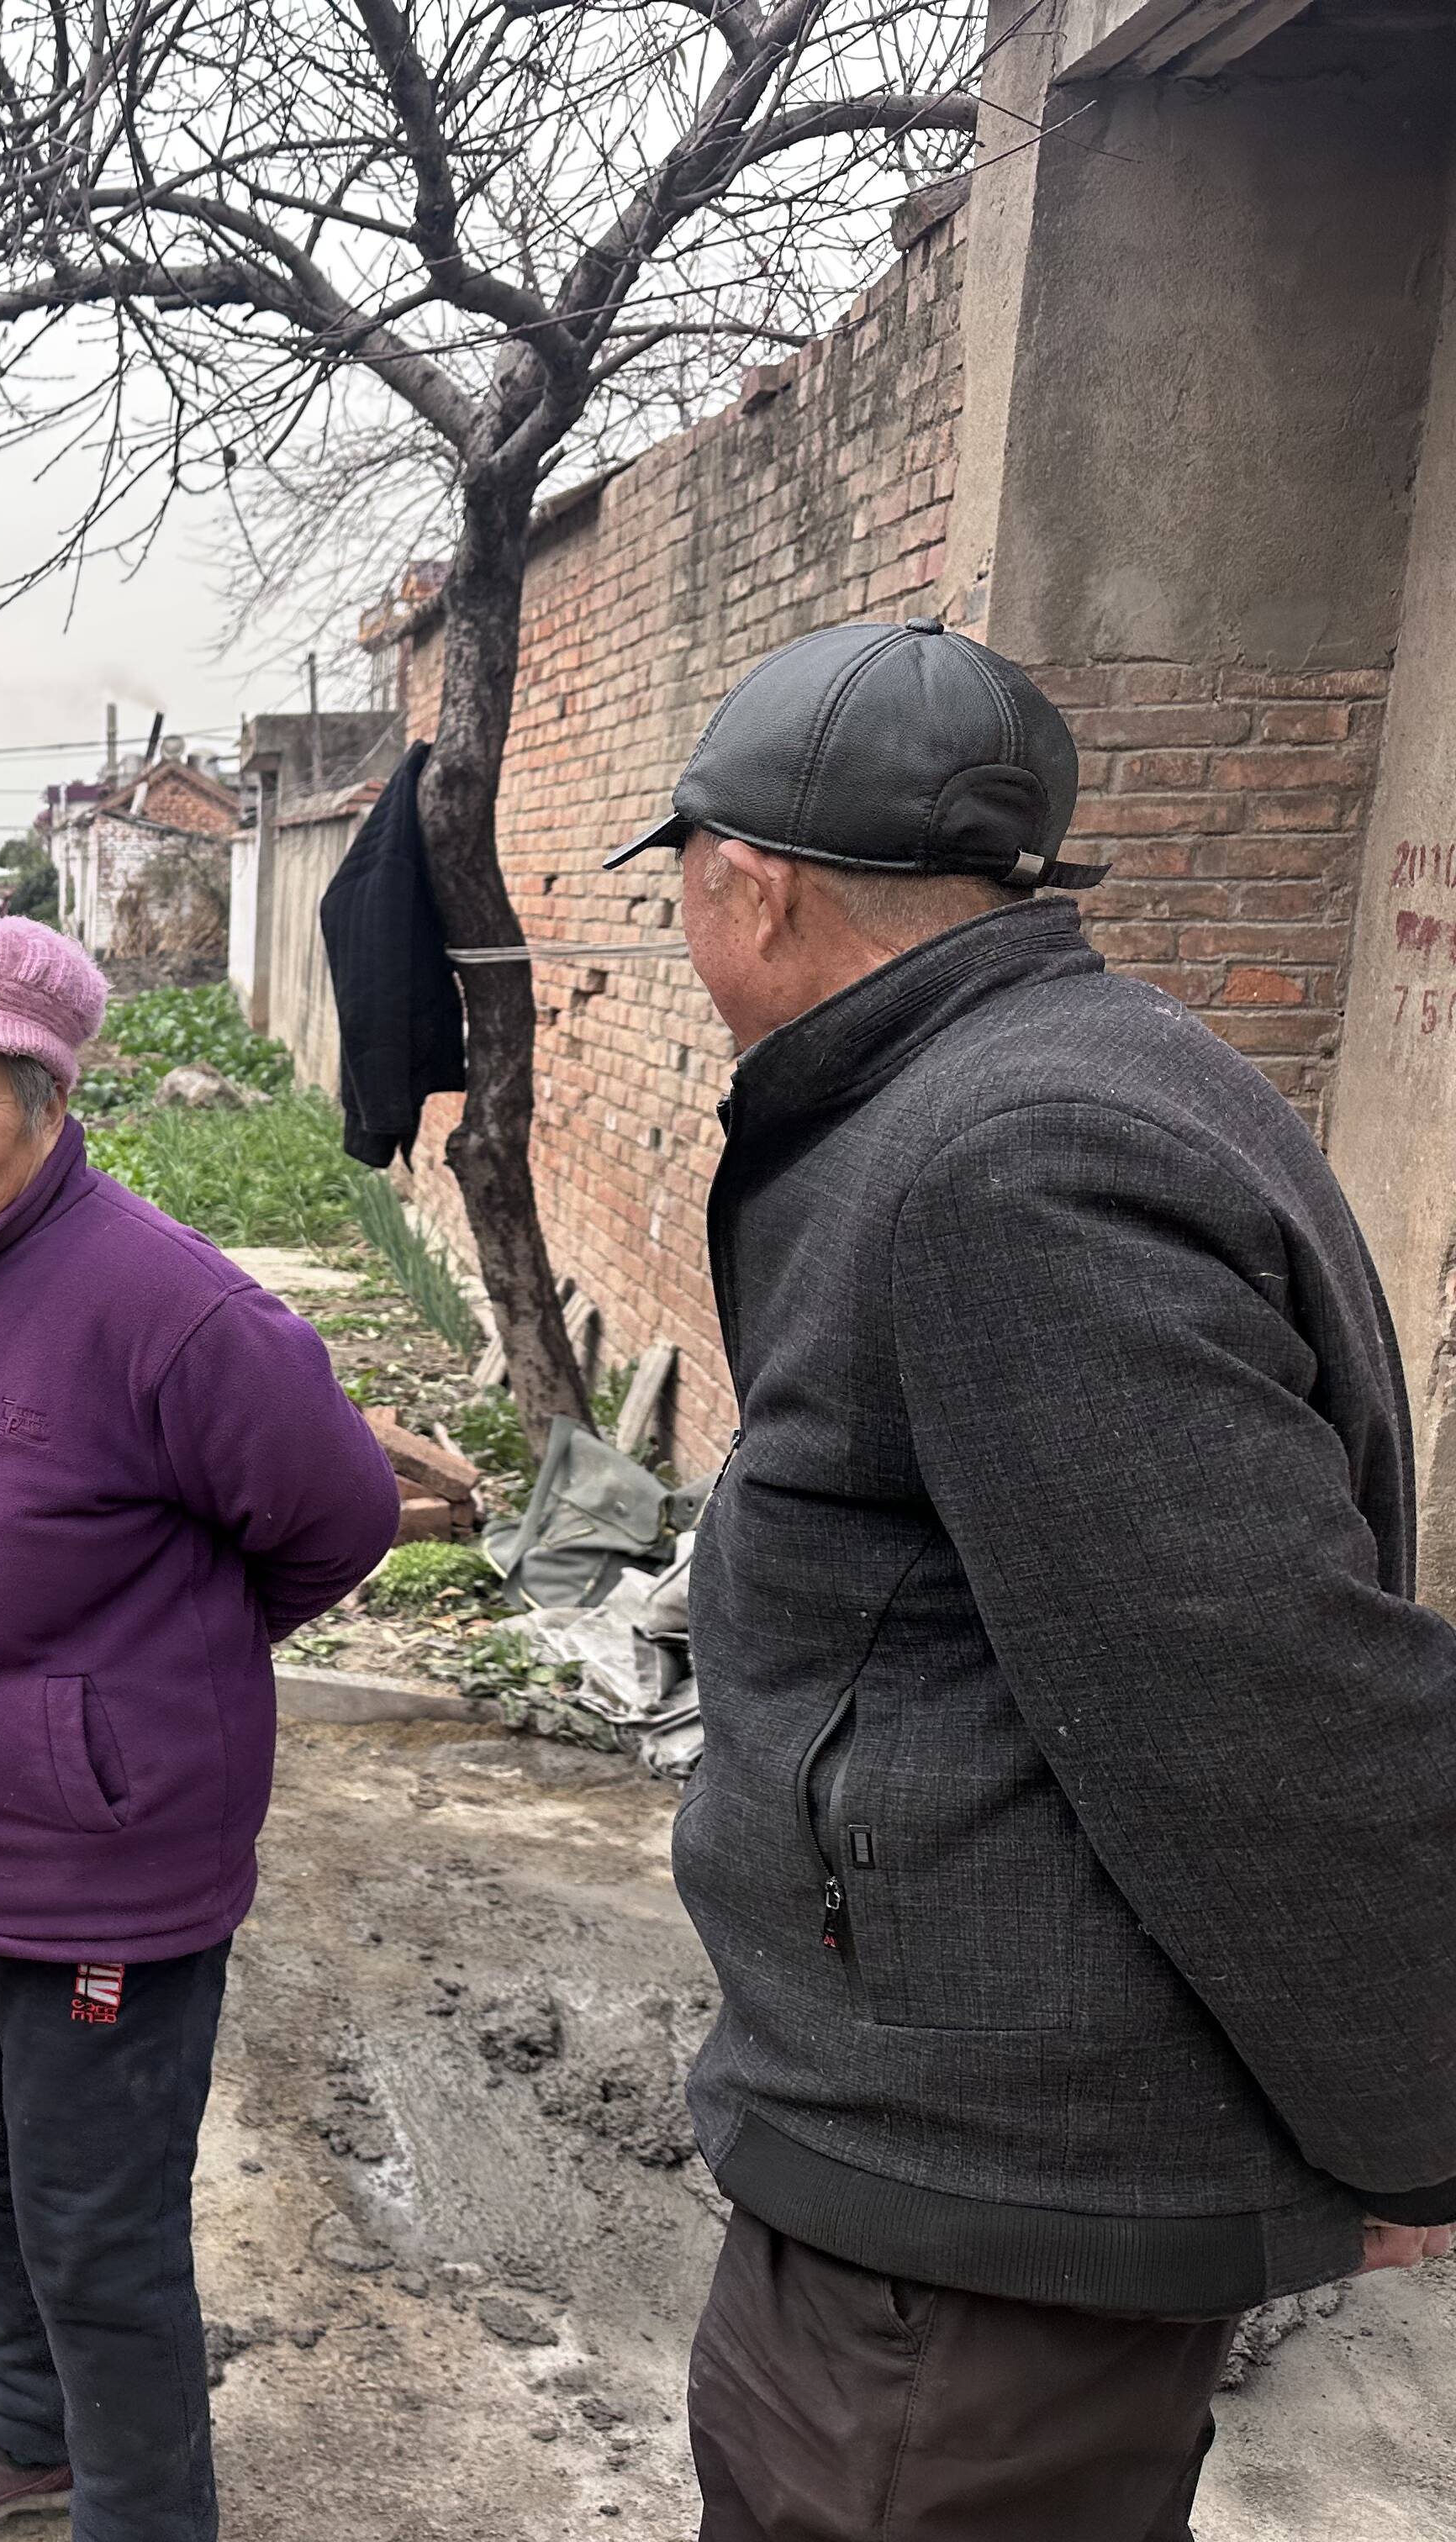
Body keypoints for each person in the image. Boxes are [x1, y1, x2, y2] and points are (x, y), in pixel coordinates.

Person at [615, 617, 1456, 2539]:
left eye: (683, 888)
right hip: (954, 2165)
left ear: (750, 884)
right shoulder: (1059, 1071)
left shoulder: (1012, 1156)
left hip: (979, 2212)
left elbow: (1264, 1693)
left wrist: (1411, 2116)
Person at [0, 909, 404, 2542]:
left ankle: (145, 2516)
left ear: (50, 1103)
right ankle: (33, 2435)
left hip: (103, 1868)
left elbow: (340, 1516)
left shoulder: (169, 1305)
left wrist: (152, 1676)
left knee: (97, 2220)